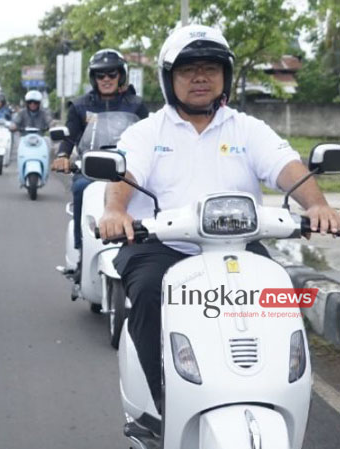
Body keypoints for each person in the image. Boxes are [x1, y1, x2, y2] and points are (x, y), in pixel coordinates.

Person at [97, 25, 340, 413]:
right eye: (188, 69)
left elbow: (286, 167)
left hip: (238, 247)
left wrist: (316, 206)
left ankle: (276, 395)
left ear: (224, 76)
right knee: (146, 292)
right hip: (161, 247)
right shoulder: (147, 132)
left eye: (210, 68)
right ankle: (161, 402)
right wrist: (115, 212)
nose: (200, 77)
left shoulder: (246, 128)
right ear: (168, 78)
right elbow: (125, 175)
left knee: (276, 301)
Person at [52, 49, 148, 255]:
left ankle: (147, 246)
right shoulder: (80, 105)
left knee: (149, 193)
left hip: (128, 169)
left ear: (121, 75)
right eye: (100, 75)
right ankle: (81, 250)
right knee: (80, 188)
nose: (106, 79)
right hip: (92, 169)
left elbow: (149, 137)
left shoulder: (136, 105)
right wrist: (62, 157)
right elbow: (69, 136)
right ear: (93, 78)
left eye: (112, 74)